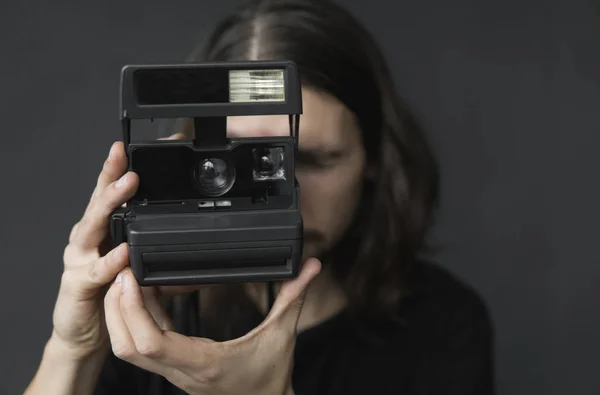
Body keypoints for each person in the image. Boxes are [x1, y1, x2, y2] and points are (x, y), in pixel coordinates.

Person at [24, 0, 495, 394]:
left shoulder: (442, 323)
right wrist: (73, 348)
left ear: (372, 159)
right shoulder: (143, 305)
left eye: (309, 159)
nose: (286, 188)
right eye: (245, 164)